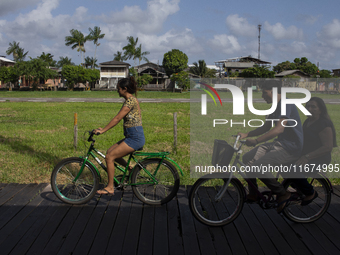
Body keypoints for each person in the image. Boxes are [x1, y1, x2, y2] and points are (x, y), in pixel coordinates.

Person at [238, 80, 303, 213]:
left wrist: (256, 141)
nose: (262, 96)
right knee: (248, 158)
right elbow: (266, 127)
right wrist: (246, 134)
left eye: (264, 92)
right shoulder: (275, 105)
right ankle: (254, 193)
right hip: (280, 144)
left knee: (258, 167)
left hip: (291, 147)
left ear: (273, 91)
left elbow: (279, 129)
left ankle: (282, 193)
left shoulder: (285, 104)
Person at [94, 76, 145, 195]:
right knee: (110, 151)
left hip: (135, 137)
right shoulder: (132, 99)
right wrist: (103, 128)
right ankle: (132, 169)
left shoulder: (130, 101)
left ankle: (110, 187)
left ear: (124, 89)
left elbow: (117, 118)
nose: (117, 90)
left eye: (118, 88)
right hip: (132, 135)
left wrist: (103, 131)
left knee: (109, 157)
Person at [294, 97, 337, 205]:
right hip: (306, 156)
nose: (310, 108)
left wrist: (307, 157)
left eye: (313, 106)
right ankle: (301, 190)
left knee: (293, 169)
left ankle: (310, 193)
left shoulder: (324, 123)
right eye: (308, 106)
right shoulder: (308, 121)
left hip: (319, 158)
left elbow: (327, 147)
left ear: (321, 109)